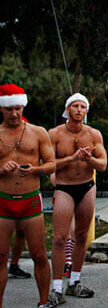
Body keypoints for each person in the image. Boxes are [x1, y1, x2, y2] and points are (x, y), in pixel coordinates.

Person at [47, 93, 107, 305]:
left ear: (86, 111)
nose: (79, 110)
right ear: (67, 110)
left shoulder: (93, 134)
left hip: (86, 187)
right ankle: (56, 288)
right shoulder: (54, 134)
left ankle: (74, 282)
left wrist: (88, 158)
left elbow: (102, 164)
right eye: (75, 106)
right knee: (59, 238)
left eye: (83, 106)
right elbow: (48, 164)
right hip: (64, 188)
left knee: (81, 236)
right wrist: (72, 158)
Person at [0, 83, 56, 308]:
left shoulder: (38, 132)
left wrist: (35, 170)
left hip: (30, 200)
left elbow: (52, 165)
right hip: (3, 202)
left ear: (23, 107)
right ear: (2, 109)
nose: (14, 113)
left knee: (40, 255)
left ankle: (44, 302)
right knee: (1, 258)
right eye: (9, 109)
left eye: (17, 108)